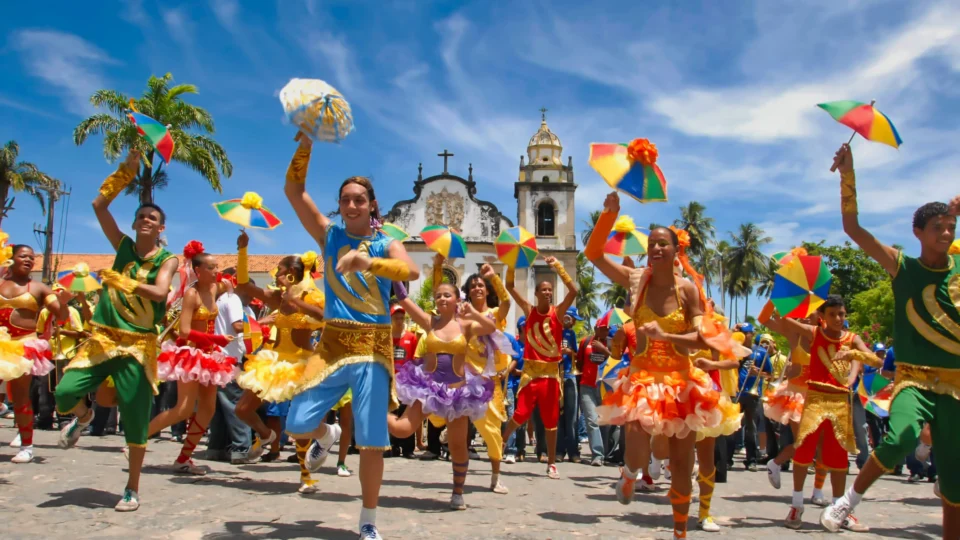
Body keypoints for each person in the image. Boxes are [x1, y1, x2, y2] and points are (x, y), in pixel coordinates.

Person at [587, 191, 745, 540]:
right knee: (638, 446)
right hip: (642, 378)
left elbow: (704, 339)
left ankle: (679, 531)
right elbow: (594, 254)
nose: (656, 248)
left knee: (682, 460)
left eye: (663, 244)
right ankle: (629, 475)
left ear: (676, 252)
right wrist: (607, 216)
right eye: (652, 244)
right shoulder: (636, 281)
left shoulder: (688, 290)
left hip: (681, 379)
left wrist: (669, 337)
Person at [283, 134, 419, 540]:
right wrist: (304, 146)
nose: (353, 205)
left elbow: (411, 273)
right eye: (346, 199)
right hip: (333, 345)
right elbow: (293, 190)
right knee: (297, 422)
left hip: (374, 350)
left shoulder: (386, 243)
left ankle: (368, 520)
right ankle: (328, 434)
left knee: (373, 441)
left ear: (372, 205)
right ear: (340, 205)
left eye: (360, 198)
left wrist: (368, 260)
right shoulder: (328, 236)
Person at [821, 144, 960, 536]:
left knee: (954, 482)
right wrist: (848, 177)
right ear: (918, 232)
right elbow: (853, 229)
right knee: (901, 435)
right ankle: (848, 501)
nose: (947, 234)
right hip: (915, 379)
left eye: (952, 227)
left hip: (957, 386)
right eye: (938, 228)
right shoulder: (904, 267)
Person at [54, 148, 179, 511]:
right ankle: (84, 415)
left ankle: (132, 487)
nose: (145, 220)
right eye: (141, 215)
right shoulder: (123, 246)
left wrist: (125, 284)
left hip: (138, 346)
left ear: (161, 227)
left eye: (152, 217)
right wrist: (125, 172)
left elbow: (159, 292)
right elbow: (98, 207)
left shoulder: (165, 259)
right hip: (103, 339)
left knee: (137, 420)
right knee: (64, 391)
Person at [387, 277, 497, 509]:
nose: (442, 298)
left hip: (457, 394)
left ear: (458, 299)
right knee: (402, 428)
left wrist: (472, 313)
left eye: (447, 294)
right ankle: (370, 409)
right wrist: (395, 276)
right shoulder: (430, 322)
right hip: (428, 389)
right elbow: (405, 300)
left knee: (458, 446)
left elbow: (490, 327)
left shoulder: (466, 324)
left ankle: (457, 493)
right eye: (438, 295)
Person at [233, 232, 325, 493]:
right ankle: (266, 435)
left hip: (302, 363)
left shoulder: (312, 298)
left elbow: (323, 317)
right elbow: (243, 286)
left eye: (282, 272)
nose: (277, 276)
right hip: (272, 361)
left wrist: (294, 301)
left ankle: (306, 475)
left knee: (301, 423)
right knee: (242, 409)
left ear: (295, 274)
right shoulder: (276, 297)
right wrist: (242, 250)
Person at [771, 295, 871, 532]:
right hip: (812, 400)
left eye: (842, 314)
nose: (838, 318)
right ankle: (796, 504)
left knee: (837, 458)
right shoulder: (811, 333)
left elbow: (866, 354)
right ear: (823, 317)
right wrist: (794, 302)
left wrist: (854, 372)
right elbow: (779, 319)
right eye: (832, 314)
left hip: (839, 404)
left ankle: (839, 508)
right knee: (803, 452)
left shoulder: (850, 338)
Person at [143, 241, 238, 474]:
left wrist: (242, 252)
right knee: (184, 408)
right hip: (191, 355)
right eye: (212, 267)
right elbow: (184, 330)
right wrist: (216, 340)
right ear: (198, 271)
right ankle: (137, 440)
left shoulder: (215, 289)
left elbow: (241, 282)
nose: (217, 271)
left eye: (218, 267)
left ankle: (184, 458)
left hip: (209, 356)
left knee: (208, 409)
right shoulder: (191, 294)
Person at [500, 255, 578, 479]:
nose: (547, 292)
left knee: (551, 420)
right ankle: (502, 442)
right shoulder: (529, 310)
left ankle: (551, 463)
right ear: (536, 293)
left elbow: (572, 291)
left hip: (551, 376)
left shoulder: (558, 313)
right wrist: (512, 264)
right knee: (520, 413)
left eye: (550, 289)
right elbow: (510, 286)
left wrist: (559, 267)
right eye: (543, 289)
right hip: (531, 375)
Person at [0, 242, 71, 463]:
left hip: (23, 345)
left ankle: (27, 446)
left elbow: (61, 316)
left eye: (32, 257)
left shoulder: (39, 288)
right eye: (23, 256)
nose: (29, 260)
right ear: (11, 259)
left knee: (21, 397)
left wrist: (64, 302)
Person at [761, 306, 831, 506]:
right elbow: (765, 319)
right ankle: (776, 463)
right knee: (803, 442)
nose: (810, 314)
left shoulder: (827, 335)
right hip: (797, 394)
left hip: (820, 394)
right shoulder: (793, 331)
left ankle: (818, 491)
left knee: (823, 445)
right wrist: (777, 299)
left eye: (816, 310)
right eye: (809, 310)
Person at [461, 262, 514, 494]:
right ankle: (458, 480)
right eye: (473, 286)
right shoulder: (461, 316)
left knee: (493, 431)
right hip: (466, 379)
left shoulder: (493, 314)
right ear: (468, 291)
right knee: (457, 429)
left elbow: (507, 302)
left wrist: (494, 277)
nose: (477, 288)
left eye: (481, 285)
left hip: (489, 382)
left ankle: (495, 478)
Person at [206, 269, 253, 464]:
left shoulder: (217, 300)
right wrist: (262, 323)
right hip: (229, 359)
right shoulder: (232, 299)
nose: (253, 295)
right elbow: (237, 326)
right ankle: (242, 448)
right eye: (251, 291)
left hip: (216, 357)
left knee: (218, 407)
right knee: (236, 404)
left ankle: (216, 448)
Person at [577, 322, 610, 467]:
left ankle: (606, 453)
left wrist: (604, 350)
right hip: (587, 386)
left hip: (604, 387)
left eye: (606, 329)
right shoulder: (585, 341)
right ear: (596, 328)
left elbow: (617, 361)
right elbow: (579, 362)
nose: (604, 331)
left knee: (605, 421)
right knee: (591, 420)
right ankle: (597, 454)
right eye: (601, 328)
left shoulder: (611, 342)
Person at [389, 302, 418, 458]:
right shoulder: (386, 337)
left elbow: (414, 359)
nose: (399, 321)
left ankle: (408, 448)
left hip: (406, 382)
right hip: (390, 381)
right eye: (396, 318)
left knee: (406, 413)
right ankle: (392, 445)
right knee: (392, 412)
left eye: (401, 318)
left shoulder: (411, 337)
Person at [557, 306, 582, 463]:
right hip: (557, 375)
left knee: (572, 416)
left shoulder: (572, 334)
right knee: (558, 415)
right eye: (573, 319)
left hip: (569, 375)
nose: (573, 323)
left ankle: (573, 451)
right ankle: (559, 451)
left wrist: (570, 352)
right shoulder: (555, 331)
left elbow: (576, 353)